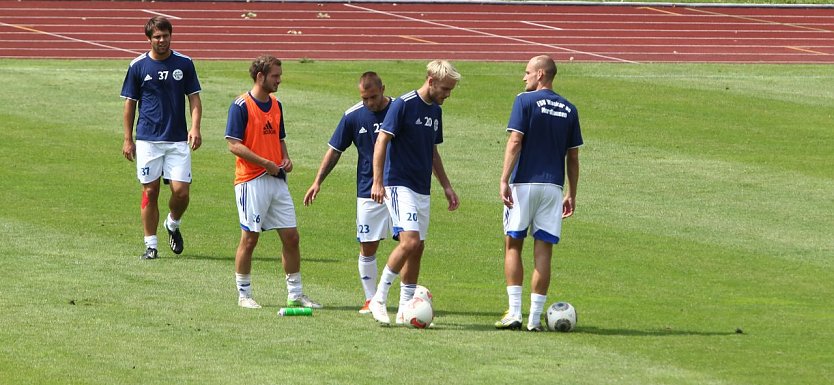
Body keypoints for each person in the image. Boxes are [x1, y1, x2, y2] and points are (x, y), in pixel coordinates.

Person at [224, 55, 322, 310]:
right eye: (275, 76)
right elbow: (234, 144)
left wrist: (285, 158)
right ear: (260, 77)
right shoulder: (241, 106)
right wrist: (264, 162)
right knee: (250, 239)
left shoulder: (276, 104)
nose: (280, 80)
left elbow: (279, 139)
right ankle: (244, 294)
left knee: (291, 237)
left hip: (277, 179)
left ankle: (295, 294)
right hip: (251, 181)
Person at [367, 60, 461, 325]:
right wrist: (377, 181)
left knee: (417, 247)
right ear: (431, 81)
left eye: (450, 90)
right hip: (399, 184)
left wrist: (446, 186)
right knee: (408, 242)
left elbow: (432, 151)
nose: (447, 95)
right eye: (445, 89)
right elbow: (382, 140)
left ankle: (405, 308)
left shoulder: (436, 113)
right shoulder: (404, 104)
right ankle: (379, 298)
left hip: (422, 188)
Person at [495, 55, 582, 331]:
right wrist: (572, 192)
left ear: (541, 74)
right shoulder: (570, 108)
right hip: (553, 187)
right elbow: (573, 156)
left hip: (524, 184)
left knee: (513, 244)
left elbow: (515, 141)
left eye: (528, 72)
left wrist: (503, 179)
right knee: (543, 252)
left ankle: (515, 313)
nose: (524, 77)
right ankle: (534, 320)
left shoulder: (524, 100)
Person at [303, 72, 394, 314]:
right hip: (368, 190)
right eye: (364, 98)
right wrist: (317, 181)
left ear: (383, 88)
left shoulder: (399, 109)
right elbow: (334, 150)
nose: (369, 103)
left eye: (373, 97)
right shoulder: (353, 116)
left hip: (399, 187)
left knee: (408, 242)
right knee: (368, 246)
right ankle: (370, 299)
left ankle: (406, 298)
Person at [121, 16, 202, 260]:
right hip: (147, 140)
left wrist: (195, 127)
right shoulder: (137, 66)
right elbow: (129, 104)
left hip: (177, 140)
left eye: (165, 36)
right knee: (150, 191)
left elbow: (195, 99)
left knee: (181, 193)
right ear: (149, 39)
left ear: (170, 36)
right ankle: (151, 245)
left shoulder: (185, 64)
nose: (162, 40)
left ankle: (173, 224)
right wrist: (128, 138)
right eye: (157, 36)